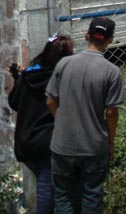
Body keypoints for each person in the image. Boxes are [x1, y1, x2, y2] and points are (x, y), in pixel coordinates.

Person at [45, 18, 124, 213]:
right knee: (92, 195)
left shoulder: (64, 64)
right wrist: (110, 141)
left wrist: (62, 122)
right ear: (111, 39)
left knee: (63, 196)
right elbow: (112, 111)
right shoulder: (112, 72)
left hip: (63, 144)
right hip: (94, 146)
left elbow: (50, 101)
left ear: (86, 35)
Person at [8, 34, 73, 214]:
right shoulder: (62, 78)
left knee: (47, 183)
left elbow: (14, 102)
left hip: (26, 141)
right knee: (48, 188)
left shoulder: (28, 75)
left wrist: (17, 78)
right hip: (49, 141)